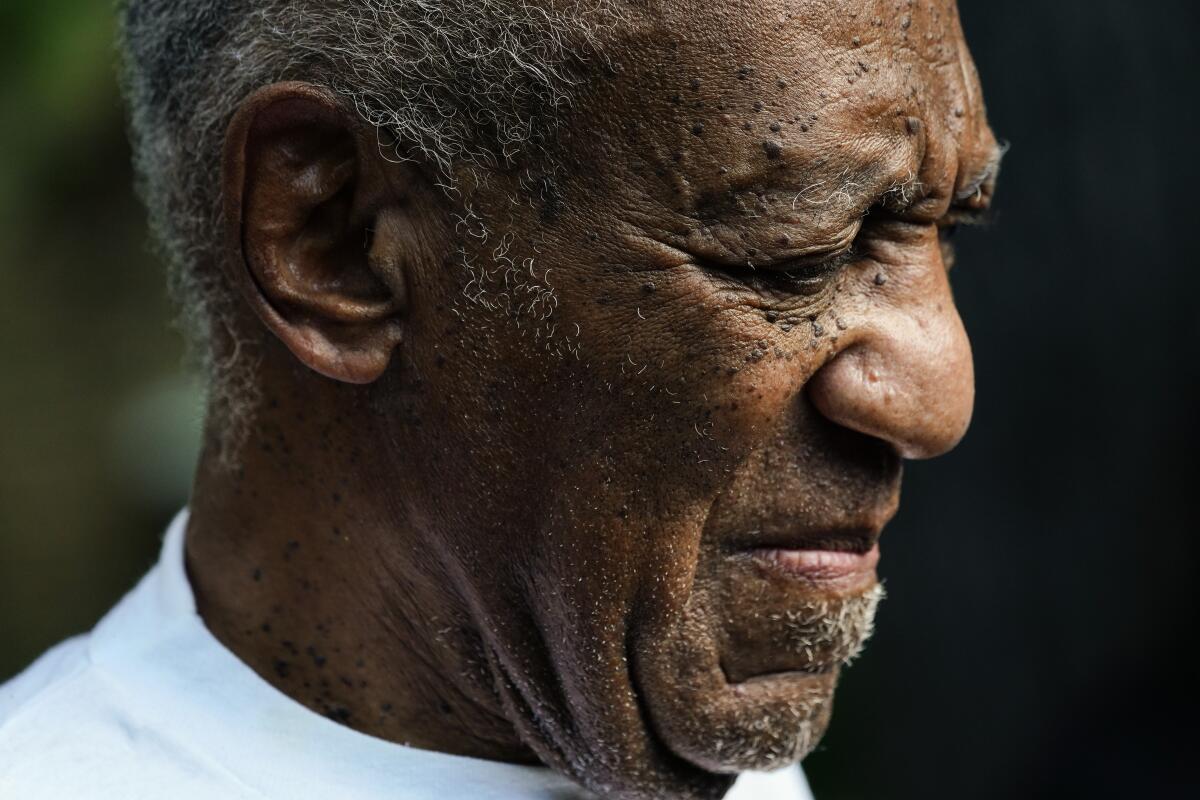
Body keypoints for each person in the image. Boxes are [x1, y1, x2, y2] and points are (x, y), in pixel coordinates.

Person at [0, 1, 1001, 798]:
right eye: (797, 251)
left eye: (949, 226)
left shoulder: (638, 683)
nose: (938, 398)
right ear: (334, 240)